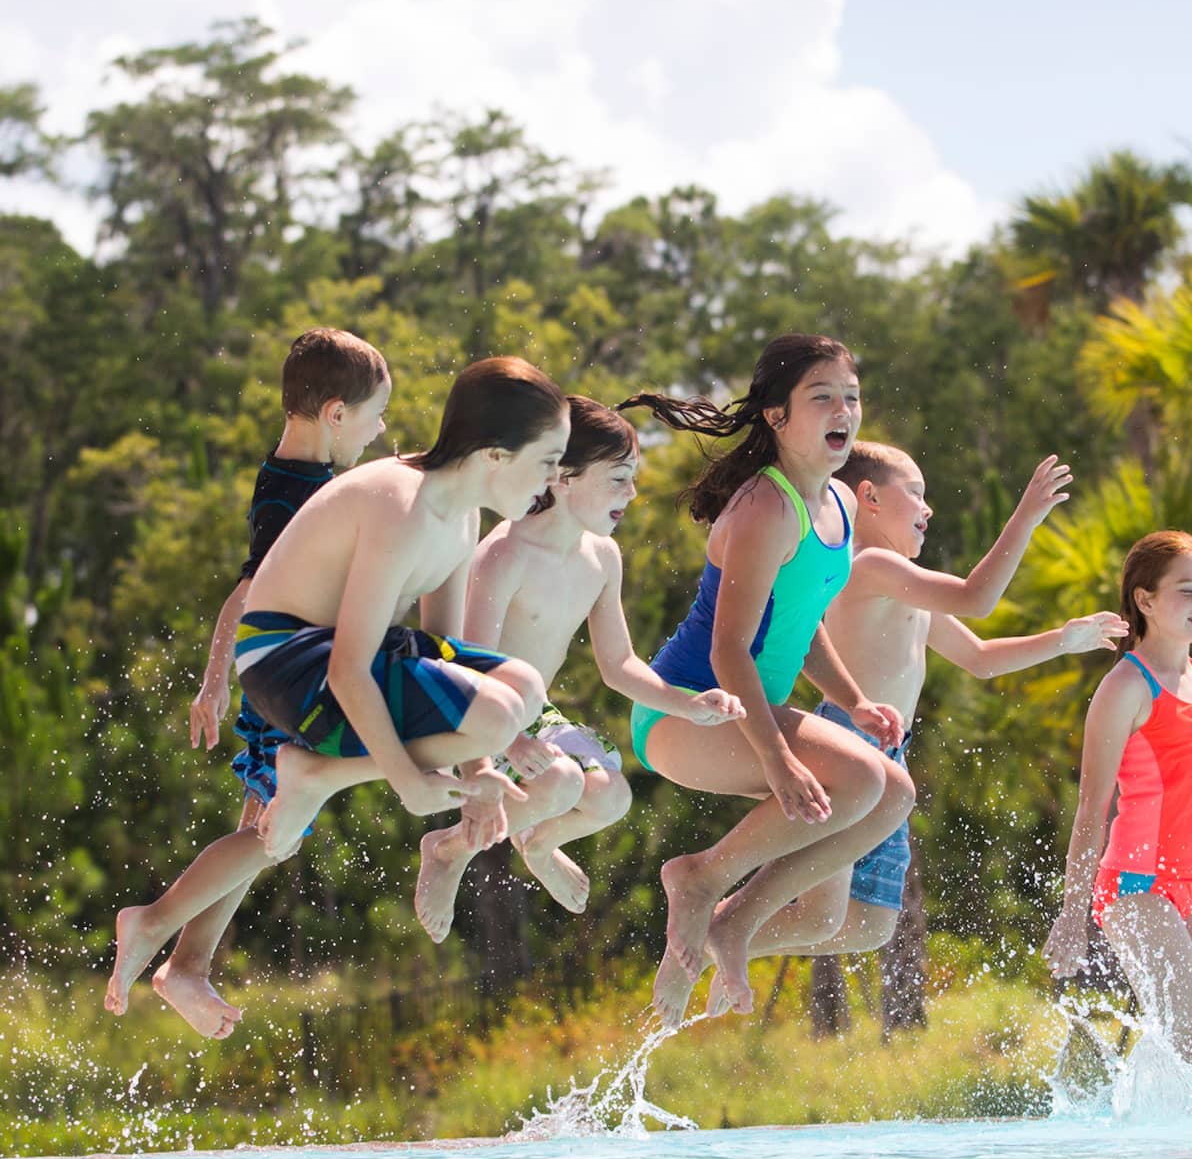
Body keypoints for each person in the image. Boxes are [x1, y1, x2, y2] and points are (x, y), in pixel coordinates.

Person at [104, 356, 569, 1023]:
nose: (553, 482)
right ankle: (317, 775)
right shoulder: (404, 507)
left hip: (338, 660)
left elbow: (447, 661)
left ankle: (319, 775)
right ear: (496, 454)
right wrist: (410, 780)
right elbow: (350, 670)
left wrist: (480, 773)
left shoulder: (460, 517)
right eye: (549, 460)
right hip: (288, 663)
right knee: (498, 711)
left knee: (518, 686)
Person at [699, 440, 1128, 1008]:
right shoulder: (869, 566)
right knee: (825, 913)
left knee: (865, 925)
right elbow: (977, 598)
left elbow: (979, 657)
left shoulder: (905, 587)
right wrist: (1026, 515)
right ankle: (721, 927)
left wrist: (1062, 641)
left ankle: (723, 934)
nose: (929, 509)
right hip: (846, 746)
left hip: (886, 757)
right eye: (917, 493)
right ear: (869, 497)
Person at [620, 334, 915, 1028]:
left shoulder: (838, 502)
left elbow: (802, 623)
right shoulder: (764, 508)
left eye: (851, 396)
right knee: (864, 783)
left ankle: (733, 925)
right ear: (777, 416)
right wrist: (779, 760)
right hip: (689, 714)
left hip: (748, 707)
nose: (844, 409)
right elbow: (728, 651)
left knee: (890, 796)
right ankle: (701, 879)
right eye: (822, 397)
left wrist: (854, 701)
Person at [412, 396, 745, 942]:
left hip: (532, 714)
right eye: (617, 479)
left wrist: (689, 704)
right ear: (563, 478)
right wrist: (509, 741)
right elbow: (465, 667)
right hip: (472, 716)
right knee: (564, 781)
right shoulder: (506, 556)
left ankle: (539, 845)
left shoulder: (601, 558)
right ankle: (448, 849)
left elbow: (618, 665)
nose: (631, 494)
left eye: (632, 479)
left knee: (611, 796)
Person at [157, 326, 391, 1038]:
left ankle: (187, 963)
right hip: (282, 683)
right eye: (377, 414)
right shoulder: (296, 494)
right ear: (336, 415)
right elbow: (246, 591)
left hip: (288, 677)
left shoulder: (298, 479)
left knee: (264, 829)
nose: (383, 430)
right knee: (268, 832)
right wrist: (213, 681)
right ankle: (174, 953)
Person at [1042, 531, 1192, 1078]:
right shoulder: (1124, 689)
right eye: (1188, 591)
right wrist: (1072, 915)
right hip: (1135, 887)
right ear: (1145, 600)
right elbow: (1092, 813)